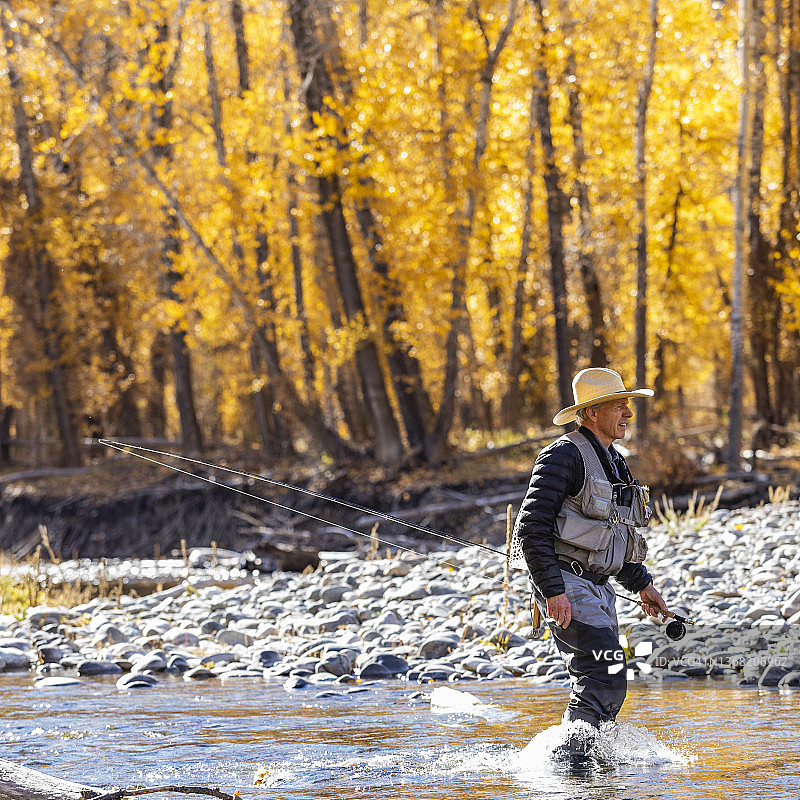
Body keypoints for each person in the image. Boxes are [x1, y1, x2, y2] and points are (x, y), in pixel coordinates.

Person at [514, 367, 670, 755]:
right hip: (567, 584)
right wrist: (553, 592)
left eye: (626, 405)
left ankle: (583, 762)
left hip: (600, 588)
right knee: (601, 673)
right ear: (591, 413)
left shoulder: (615, 462)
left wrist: (643, 585)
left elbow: (615, 536)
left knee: (609, 676)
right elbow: (530, 529)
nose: (628, 414)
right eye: (619, 406)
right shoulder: (562, 456)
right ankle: (570, 765)